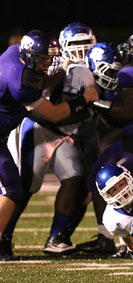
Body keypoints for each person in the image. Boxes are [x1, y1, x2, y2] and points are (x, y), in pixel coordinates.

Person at [0, 30, 98, 260]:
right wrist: (84, 99)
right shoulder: (21, 81)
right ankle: (4, 239)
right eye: (43, 60)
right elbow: (53, 114)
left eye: (49, 59)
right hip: (25, 131)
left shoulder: (16, 53)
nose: (46, 64)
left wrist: (62, 69)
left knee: (72, 179)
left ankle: (56, 238)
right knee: (15, 188)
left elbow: (41, 83)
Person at [76, 30, 133, 256]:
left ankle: (106, 238)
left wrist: (94, 103)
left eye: (132, 47)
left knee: (100, 178)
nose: (126, 51)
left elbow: (127, 111)